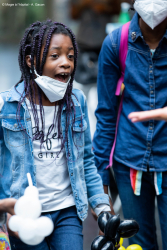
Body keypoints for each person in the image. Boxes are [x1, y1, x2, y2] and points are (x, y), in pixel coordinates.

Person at [0, 20, 111, 250]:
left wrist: (102, 208)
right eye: (55, 56)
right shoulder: (7, 106)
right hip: (25, 215)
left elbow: (86, 161)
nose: (66, 63)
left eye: (70, 56)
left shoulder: (77, 102)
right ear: (31, 61)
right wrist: (4, 210)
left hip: (67, 212)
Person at [93, 0, 167, 249]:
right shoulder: (116, 43)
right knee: (138, 246)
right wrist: (101, 185)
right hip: (129, 163)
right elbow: (105, 115)